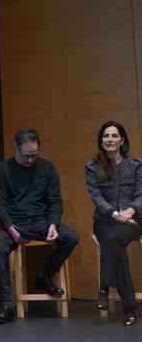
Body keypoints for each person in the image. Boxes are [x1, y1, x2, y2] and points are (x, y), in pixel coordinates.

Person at [0, 128, 79, 324]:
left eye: (34, 155)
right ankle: (5, 304)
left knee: (71, 237)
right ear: (16, 148)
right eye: (26, 156)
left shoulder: (47, 168)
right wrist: (11, 230)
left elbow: (55, 201)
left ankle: (44, 277)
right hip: (15, 222)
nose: (30, 160)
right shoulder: (3, 169)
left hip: (42, 221)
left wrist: (53, 224)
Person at [85, 121, 142, 326]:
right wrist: (114, 213)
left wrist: (130, 210)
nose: (109, 139)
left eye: (114, 136)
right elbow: (95, 196)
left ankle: (104, 288)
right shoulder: (93, 167)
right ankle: (129, 310)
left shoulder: (136, 165)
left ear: (122, 140)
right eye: (105, 136)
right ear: (101, 141)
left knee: (113, 239)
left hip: (133, 219)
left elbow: (141, 193)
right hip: (104, 221)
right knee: (113, 243)